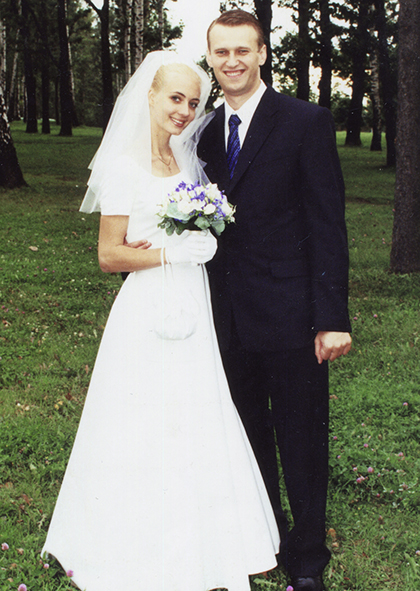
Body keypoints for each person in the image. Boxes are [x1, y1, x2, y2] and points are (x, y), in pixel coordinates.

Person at [41, 51, 280, 591]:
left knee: (196, 409)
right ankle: (129, 544)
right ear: (148, 94)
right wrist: (174, 254)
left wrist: (202, 241)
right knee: (141, 416)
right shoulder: (124, 165)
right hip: (148, 304)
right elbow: (109, 255)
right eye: (175, 98)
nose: (184, 110)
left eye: (193, 102)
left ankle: (204, 540)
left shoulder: (186, 162)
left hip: (192, 304)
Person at [197, 10, 352, 591]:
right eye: (221, 53)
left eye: (243, 50)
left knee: (301, 440)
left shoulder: (304, 121)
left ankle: (308, 562)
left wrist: (331, 317)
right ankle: (265, 538)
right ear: (209, 57)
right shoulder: (204, 133)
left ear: (263, 53)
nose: (232, 62)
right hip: (224, 319)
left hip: (292, 318)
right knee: (247, 437)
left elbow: (326, 224)